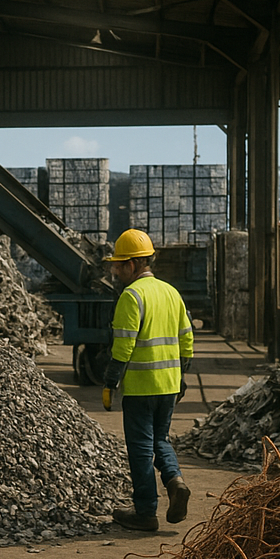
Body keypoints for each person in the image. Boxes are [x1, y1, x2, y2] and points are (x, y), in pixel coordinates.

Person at [102, 228, 194, 532]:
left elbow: (124, 344)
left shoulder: (132, 296)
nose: (115, 271)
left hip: (142, 388)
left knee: (140, 448)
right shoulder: (171, 292)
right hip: (169, 385)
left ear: (132, 265)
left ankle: (145, 512)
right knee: (160, 440)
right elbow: (187, 338)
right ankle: (175, 480)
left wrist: (111, 380)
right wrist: (182, 374)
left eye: (118, 266)